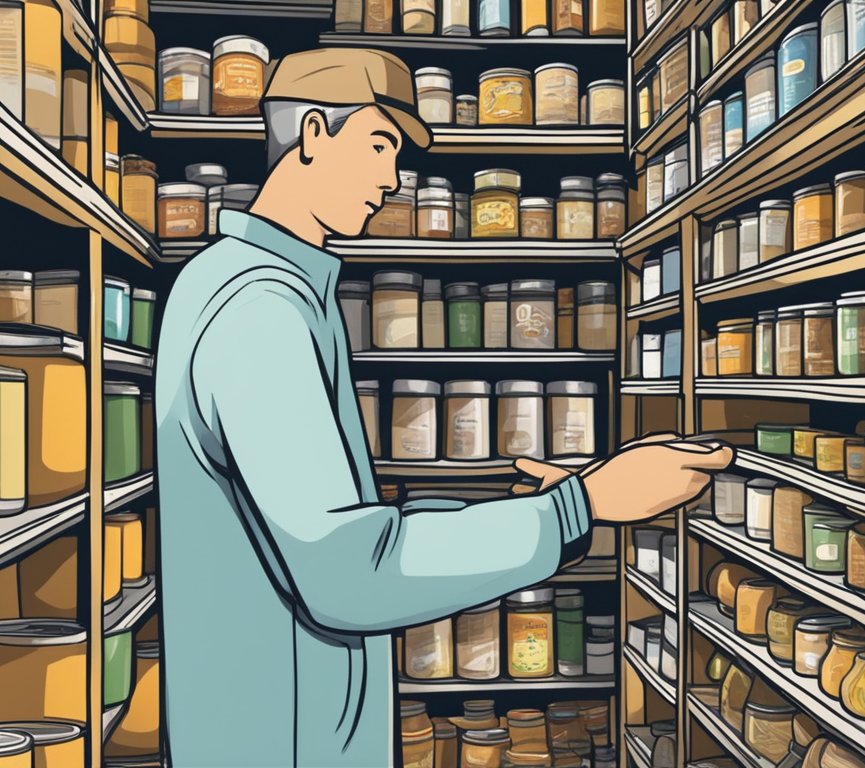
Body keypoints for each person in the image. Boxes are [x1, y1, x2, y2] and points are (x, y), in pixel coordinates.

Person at [154, 48, 733, 767]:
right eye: (378, 145)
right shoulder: (259, 310)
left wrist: (525, 511)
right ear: (310, 133)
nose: (391, 179)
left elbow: (331, 525)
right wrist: (583, 504)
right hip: (278, 740)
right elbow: (348, 573)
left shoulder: (253, 284)